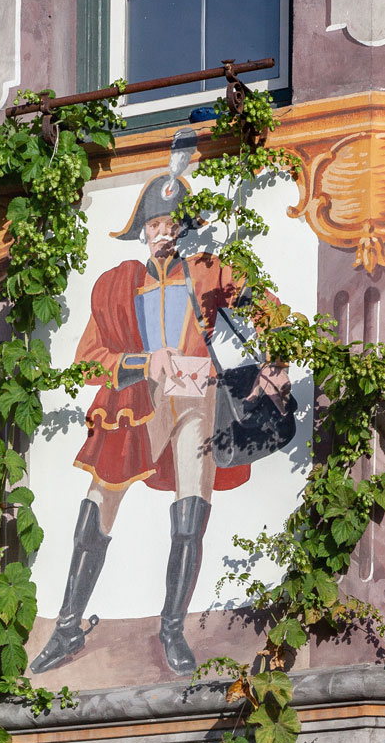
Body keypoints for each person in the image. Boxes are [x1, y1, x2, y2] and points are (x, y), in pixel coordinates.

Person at [31, 129, 291, 677]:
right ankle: (68, 625)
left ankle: (172, 628)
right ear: (142, 232)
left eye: (171, 225)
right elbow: (88, 358)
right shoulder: (116, 285)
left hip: (196, 397)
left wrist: (278, 360)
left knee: (192, 508)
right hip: (138, 400)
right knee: (99, 500)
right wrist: (144, 363)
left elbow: (271, 308)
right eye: (154, 225)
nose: (163, 233)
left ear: (183, 229)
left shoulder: (208, 273)